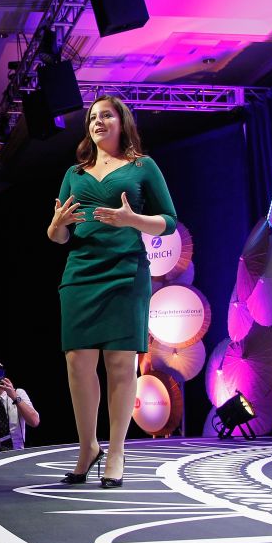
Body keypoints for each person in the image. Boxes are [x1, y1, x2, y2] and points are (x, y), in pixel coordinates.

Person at [47, 95, 177, 488]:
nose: (98, 121)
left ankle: (117, 450)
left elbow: (169, 222)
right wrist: (56, 224)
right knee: (78, 363)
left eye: (106, 115)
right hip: (81, 273)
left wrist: (131, 219)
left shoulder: (142, 167)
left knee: (120, 365)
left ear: (122, 122)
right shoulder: (75, 172)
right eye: (92, 117)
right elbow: (58, 236)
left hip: (125, 273)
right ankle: (88, 447)